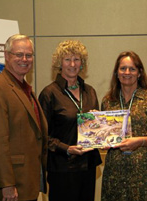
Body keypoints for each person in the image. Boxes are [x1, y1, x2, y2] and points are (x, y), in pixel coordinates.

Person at [0, 34, 48, 201]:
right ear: (6, 55)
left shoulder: (25, 89)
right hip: (11, 187)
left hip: (27, 181)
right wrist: (7, 184)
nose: (24, 59)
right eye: (19, 54)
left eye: (29, 55)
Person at [38, 40, 102, 201]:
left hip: (87, 166)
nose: (72, 64)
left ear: (82, 63)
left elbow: (98, 128)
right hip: (62, 168)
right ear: (59, 63)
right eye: (67, 59)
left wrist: (98, 124)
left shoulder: (90, 92)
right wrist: (67, 148)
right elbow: (42, 136)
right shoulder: (49, 94)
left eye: (77, 59)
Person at [101, 51, 147, 201]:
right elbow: (105, 137)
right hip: (115, 174)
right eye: (123, 68)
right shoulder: (108, 101)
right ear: (116, 73)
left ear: (139, 73)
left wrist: (139, 141)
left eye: (132, 69)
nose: (127, 72)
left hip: (145, 173)